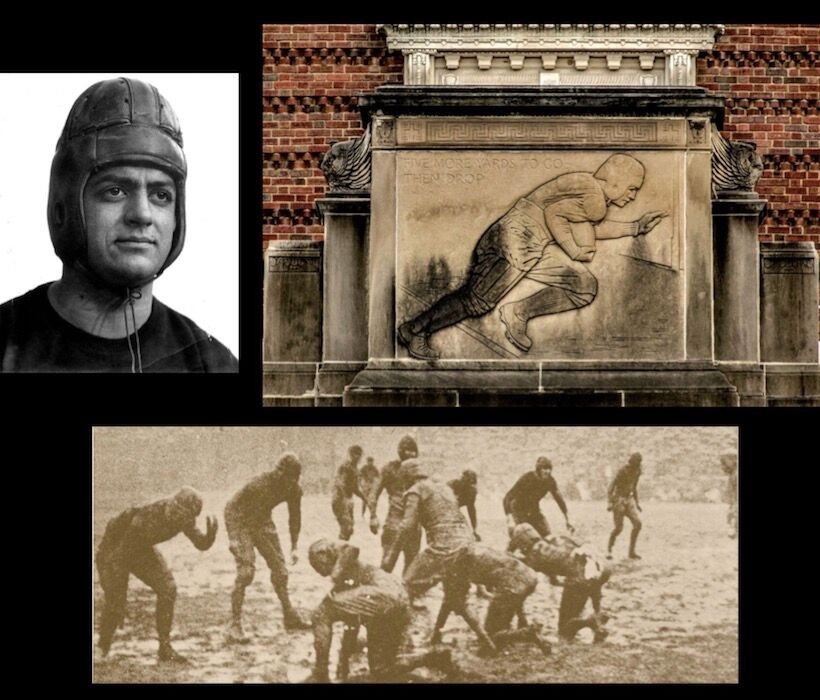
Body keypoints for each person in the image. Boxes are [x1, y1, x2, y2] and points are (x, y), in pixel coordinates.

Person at [0, 77, 237, 372]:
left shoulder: (214, 366)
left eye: (161, 195)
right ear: (65, 207)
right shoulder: (4, 343)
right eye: (115, 191)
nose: (142, 214)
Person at [397, 153, 668, 359]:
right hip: (514, 242)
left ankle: (517, 312)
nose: (632, 196)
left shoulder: (587, 189)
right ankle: (415, 329)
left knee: (583, 285)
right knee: (476, 301)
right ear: (615, 181)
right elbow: (558, 216)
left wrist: (634, 227)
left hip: (529, 246)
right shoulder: (593, 196)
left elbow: (584, 225)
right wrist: (574, 249)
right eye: (632, 188)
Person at [383, 459, 498, 651]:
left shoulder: (415, 490)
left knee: (404, 589)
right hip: (467, 545)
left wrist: (390, 559)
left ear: (406, 477)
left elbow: (406, 527)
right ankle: (487, 642)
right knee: (456, 599)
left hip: (444, 546)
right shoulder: (444, 488)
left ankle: (398, 643)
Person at [95, 487, 218, 663]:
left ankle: (165, 647)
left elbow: (199, 542)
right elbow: (120, 559)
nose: (180, 520)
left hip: (141, 548)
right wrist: (119, 593)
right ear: (171, 506)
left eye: (185, 518)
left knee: (168, 588)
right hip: (114, 547)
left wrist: (209, 538)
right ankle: (102, 647)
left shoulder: (183, 517)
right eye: (177, 513)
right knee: (115, 601)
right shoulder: (146, 517)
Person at [306, 539, 454, 683]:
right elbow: (352, 625)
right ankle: (433, 657)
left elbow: (352, 548)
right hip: (396, 603)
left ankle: (320, 673)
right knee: (381, 670)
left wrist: (336, 573)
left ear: (324, 555)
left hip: (386, 595)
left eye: (317, 565)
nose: (319, 572)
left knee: (321, 613)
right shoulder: (345, 584)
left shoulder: (340, 556)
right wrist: (344, 662)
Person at [224, 453, 310, 643]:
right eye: (286, 476)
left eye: (293, 478)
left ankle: (289, 615)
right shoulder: (259, 484)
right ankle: (234, 625)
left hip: (262, 522)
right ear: (279, 472)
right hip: (242, 523)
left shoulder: (294, 489)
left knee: (281, 571)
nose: (289, 482)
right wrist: (233, 538)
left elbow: (294, 516)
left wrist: (294, 546)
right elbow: (230, 507)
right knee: (246, 572)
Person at [509, 523, 611, 643]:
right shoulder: (551, 538)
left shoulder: (534, 555)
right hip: (601, 567)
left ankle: (591, 622)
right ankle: (598, 621)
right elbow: (557, 558)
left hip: (581, 576)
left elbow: (526, 572)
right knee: (591, 586)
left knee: (564, 629)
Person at [368, 435, 422, 574]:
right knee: (386, 566)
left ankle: (404, 594)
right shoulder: (389, 469)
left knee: (410, 568)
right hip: (395, 522)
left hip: (413, 524)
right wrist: (373, 516)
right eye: (407, 450)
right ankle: (382, 592)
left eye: (412, 450)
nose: (410, 453)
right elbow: (373, 493)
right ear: (400, 451)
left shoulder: (420, 471)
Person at [503, 457, 574, 540]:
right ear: (538, 469)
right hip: (518, 510)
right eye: (544, 468)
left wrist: (568, 519)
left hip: (534, 510)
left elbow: (559, 499)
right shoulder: (527, 478)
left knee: (547, 536)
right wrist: (509, 519)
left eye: (549, 469)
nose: (547, 471)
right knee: (522, 537)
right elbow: (507, 498)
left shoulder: (550, 481)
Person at [606, 452, 643, 559]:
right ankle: (609, 550)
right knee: (618, 528)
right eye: (636, 463)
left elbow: (634, 487)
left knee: (638, 524)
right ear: (631, 463)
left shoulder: (638, 471)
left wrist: (636, 502)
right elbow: (611, 487)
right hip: (619, 499)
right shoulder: (623, 471)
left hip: (629, 499)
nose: (637, 466)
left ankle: (631, 552)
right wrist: (609, 502)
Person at [331, 445, 369, 541]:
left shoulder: (355, 469)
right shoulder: (345, 467)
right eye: (356, 454)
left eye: (359, 455)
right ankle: (340, 550)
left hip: (347, 499)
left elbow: (355, 488)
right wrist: (344, 499)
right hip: (340, 499)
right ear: (351, 455)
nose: (358, 457)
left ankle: (342, 547)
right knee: (346, 527)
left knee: (350, 528)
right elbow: (340, 483)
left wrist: (365, 499)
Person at [448, 469, 480, 541]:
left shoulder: (472, 491)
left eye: (472, 484)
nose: (472, 486)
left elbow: (471, 511)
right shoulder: (453, 485)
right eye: (469, 483)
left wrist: (474, 529)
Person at [721, 454, 738, 539]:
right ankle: (733, 528)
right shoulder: (733, 474)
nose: (723, 465)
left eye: (725, 462)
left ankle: (733, 529)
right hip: (734, 500)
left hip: (736, 500)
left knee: (733, 513)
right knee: (731, 513)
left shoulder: (736, 474)